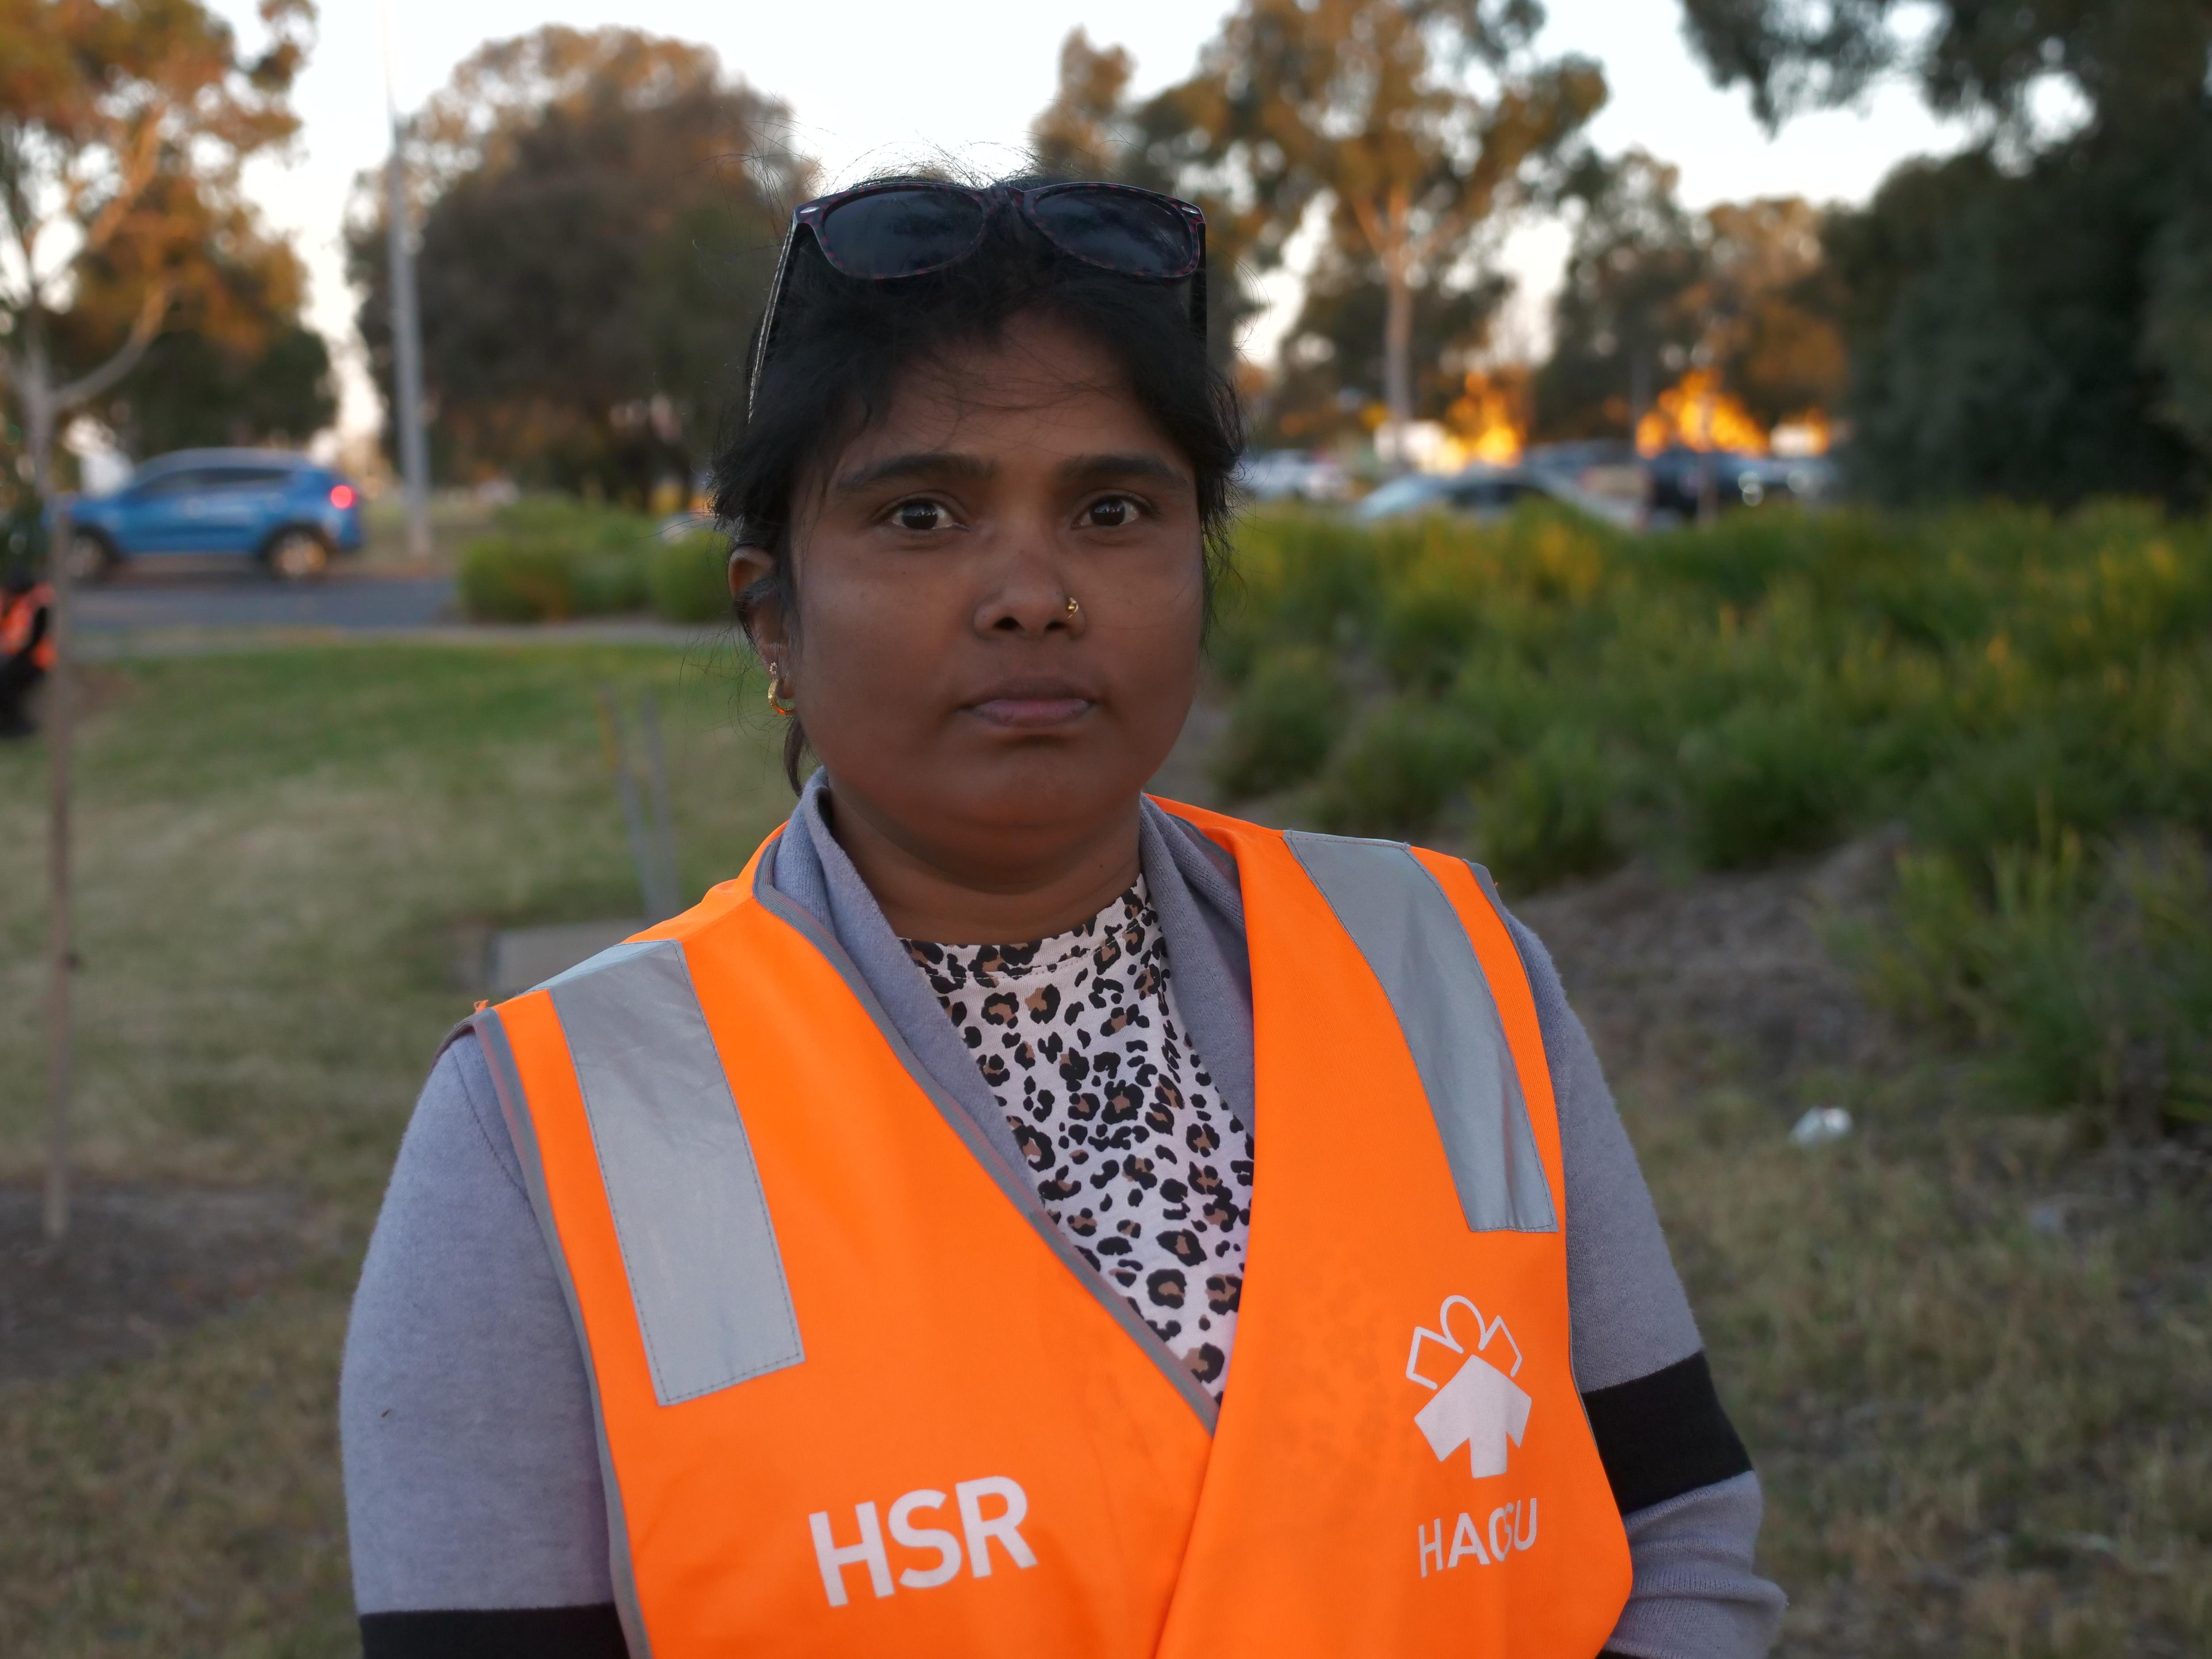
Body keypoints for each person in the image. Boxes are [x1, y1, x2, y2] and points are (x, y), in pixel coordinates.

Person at [341, 174, 1785, 1659]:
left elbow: (1678, 1527)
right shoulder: (545, 1130)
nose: (1033, 593)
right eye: (920, 512)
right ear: (773, 617)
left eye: (1112, 509)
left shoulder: (1448, 965)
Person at [0, 569, 54, 738]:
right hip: (25, 657)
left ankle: (17, 727)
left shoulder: (30, 606)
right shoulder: (17, 604)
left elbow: (20, 640)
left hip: (36, 660)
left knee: (7, 685)